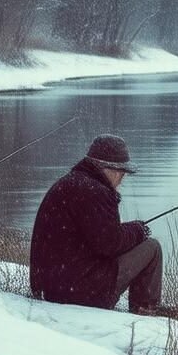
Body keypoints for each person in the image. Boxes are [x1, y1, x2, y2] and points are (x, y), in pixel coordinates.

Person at [29, 134, 165, 315]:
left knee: (139, 241)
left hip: (53, 287)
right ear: (109, 169)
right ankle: (145, 311)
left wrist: (131, 230)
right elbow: (110, 244)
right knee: (151, 247)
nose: (122, 178)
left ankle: (143, 308)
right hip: (78, 292)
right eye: (122, 172)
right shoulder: (95, 192)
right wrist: (137, 231)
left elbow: (100, 237)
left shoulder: (70, 182)